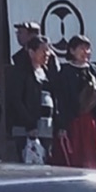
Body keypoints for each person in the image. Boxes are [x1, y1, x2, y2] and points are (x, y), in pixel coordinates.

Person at [52, 36, 96, 169]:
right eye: (81, 48)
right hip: (73, 121)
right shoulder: (65, 72)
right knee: (75, 158)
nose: (85, 52)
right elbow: (61, 99)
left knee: (93, 157)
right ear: (72, 50)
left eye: (87, 48)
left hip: (90, 121)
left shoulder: (93, 70)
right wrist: (62, 125)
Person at [5, 36, 58, 164]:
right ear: (31, 52)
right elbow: (16, 100)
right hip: (26, 129)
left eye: (48, 50)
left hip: (46, 127)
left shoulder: (47, 71)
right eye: (43, 50)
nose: (47, 54)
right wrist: (29, 125)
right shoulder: (20, 72)